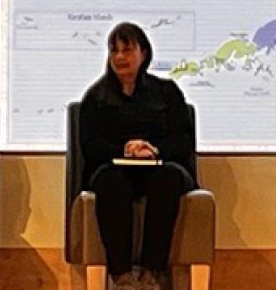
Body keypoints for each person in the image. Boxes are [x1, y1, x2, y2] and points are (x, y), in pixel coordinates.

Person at [79, 22, 195, 290]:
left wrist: (153, 150)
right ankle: (121, 277)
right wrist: (125, 150)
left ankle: (153, 273)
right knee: (111, 182)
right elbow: (91, 145)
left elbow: (183, 140)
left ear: (144, 53)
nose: (119, 57)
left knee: (167, 179)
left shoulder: (167, 92)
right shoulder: (96, 97)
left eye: (127, 50)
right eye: (114, 51)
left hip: (160, 165)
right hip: (114, 168)